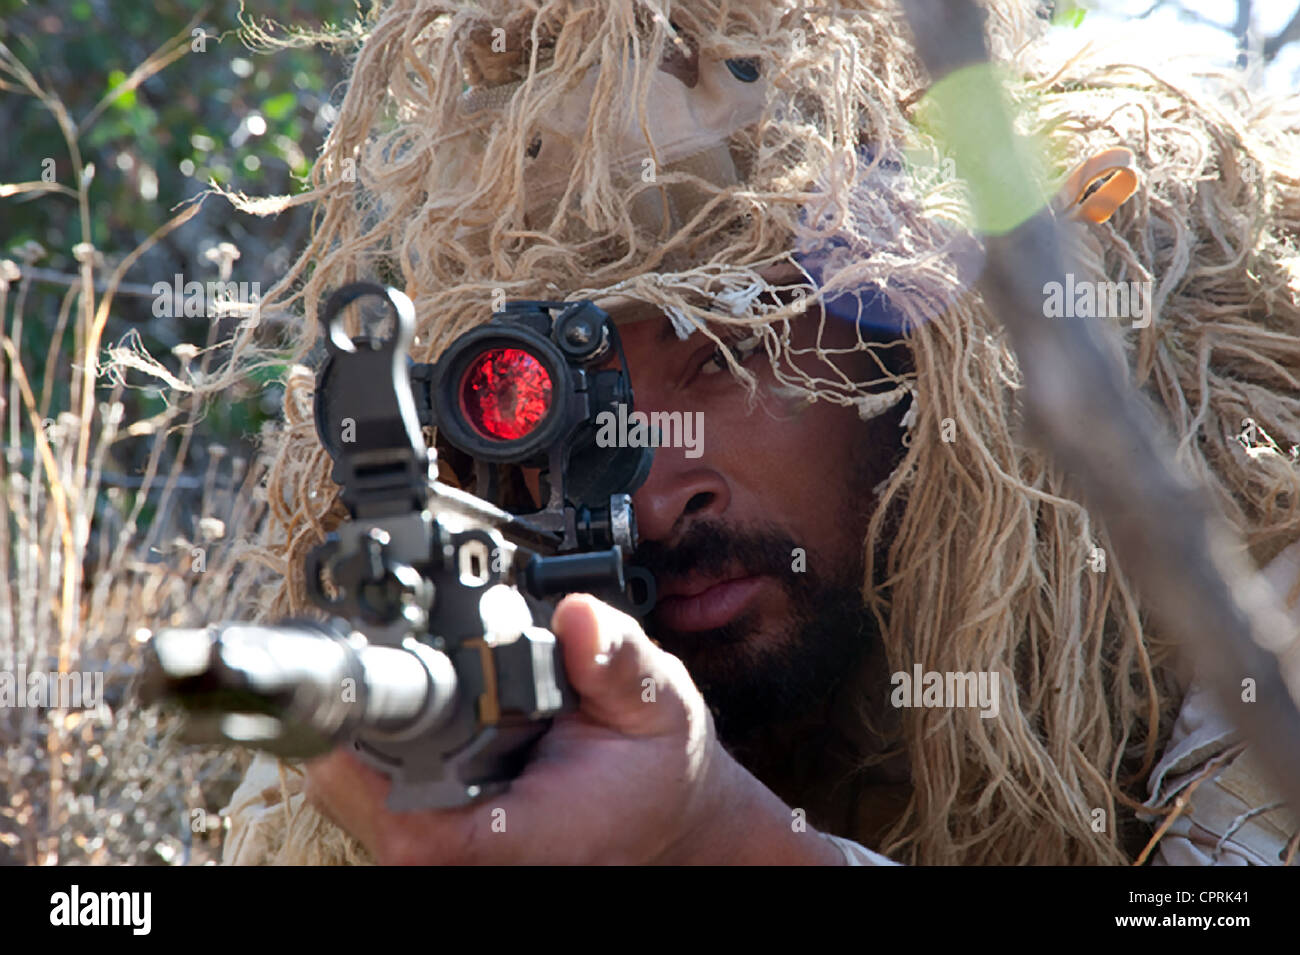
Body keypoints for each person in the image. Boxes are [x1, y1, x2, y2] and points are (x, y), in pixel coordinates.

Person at [220, 0, 1300, 865]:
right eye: (570, 409)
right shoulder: (434, 667)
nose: (651, 498)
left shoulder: (1250, 565)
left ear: (902, 339)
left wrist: (719, 834)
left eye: (727, 356)